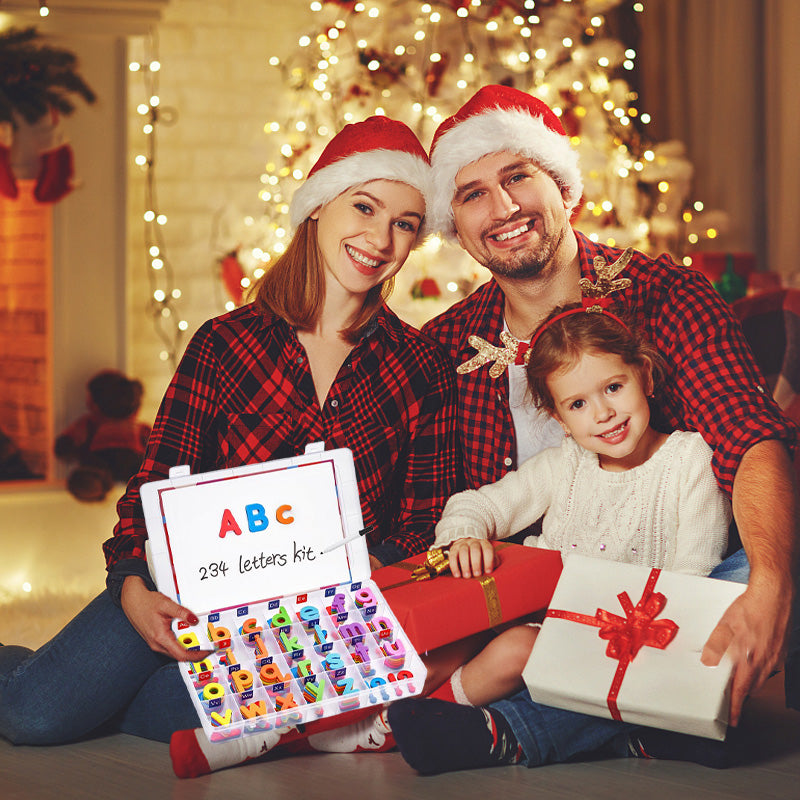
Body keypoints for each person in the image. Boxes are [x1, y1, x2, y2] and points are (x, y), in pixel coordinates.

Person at [0, 115, 461, 749]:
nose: (379, 238)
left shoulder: (420, 366)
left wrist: (354, 575)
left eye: (404, 223)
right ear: (320, 205)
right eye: (364, 206)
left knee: (188, 714)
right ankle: (40, 674)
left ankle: (85, 681)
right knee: (35, 717)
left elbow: (421, 521)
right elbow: (154, 482)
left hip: (304, 624)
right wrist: (133, 586)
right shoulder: (225, 345)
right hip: (177, 590)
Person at [387, 84, 798, 774]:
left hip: (677, 589)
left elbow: (748, 437)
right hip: (533, 608)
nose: (505, 207)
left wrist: (769, 582)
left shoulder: (667, 294)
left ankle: (505, 732)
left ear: (561, 186)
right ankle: (657, 719)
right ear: (454, 226)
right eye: (473, 193)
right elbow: (440, 512)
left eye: (519, 175)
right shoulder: (448, 348)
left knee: (780, 550)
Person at [428, 299, 731, 710]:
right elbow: (476, 506)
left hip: (608, 637)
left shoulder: (689, 459)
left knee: (516, 649)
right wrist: (463, 538)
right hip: (528, 610)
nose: (604, 413)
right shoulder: (564, 463)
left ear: (644, 375)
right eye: (578, 404)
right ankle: (371, 719)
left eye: (613, 387)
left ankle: (426, 718)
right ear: (560, 420)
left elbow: (693, 574)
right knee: (445, 641)